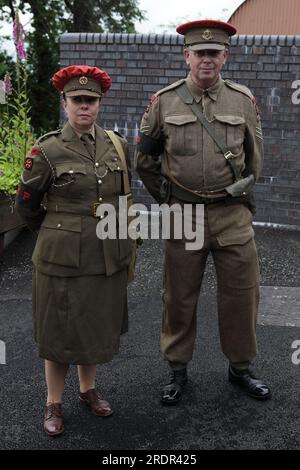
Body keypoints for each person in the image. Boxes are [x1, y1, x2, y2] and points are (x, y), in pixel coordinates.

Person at [135, 20, 272, 405]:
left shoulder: (242, 101)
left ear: (225, 56)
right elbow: (144, 160)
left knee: (242, 295)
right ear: (187, 56)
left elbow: (254, 159)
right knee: (178, 296)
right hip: (184, 215)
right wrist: (169, 199)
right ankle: (177, 370)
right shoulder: (164, 102)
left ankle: (241, 368)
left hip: (232, 216)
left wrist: (238, 193)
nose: (207, 59)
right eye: (200, 53)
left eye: (214, 53)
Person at [16, 65, 133, 435]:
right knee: (58, 331)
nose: (85, 106)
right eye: (77, 100)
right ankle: (53, 402)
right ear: (64, 103)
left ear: (100, 104)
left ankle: (88, 391)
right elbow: (26, 205)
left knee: (93, 326)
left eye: (91, 100)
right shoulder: (47, 149)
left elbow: (122, 198)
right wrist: (55, 232)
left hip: (104, 255)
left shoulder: (117, 145)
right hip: (61, 258)